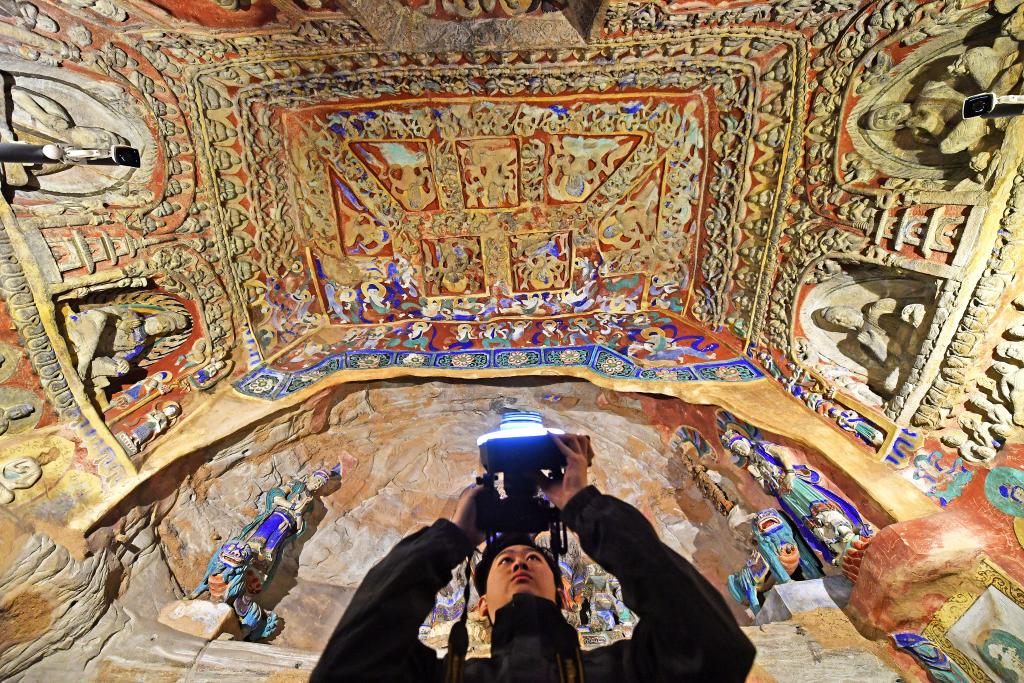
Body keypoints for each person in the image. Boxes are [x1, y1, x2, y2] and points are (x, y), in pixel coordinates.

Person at [312, 434, 756, 682]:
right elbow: (347, 670)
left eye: (533, 558)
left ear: (566, 593)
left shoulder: (621, 672)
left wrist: (582, 504)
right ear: (480, 605)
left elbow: (712, 648)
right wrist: (452, 538)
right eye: (504, 561)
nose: (519, 562)